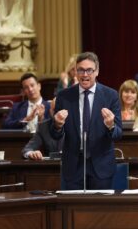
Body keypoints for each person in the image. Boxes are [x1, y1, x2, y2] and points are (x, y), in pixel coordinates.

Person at [51, 52, 122, 190]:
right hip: (73, 166)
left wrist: (111, 125)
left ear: (97, 72)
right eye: (81, 70)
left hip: (101, 167)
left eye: (89, 70)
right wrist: (57, 125)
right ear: (75, 72)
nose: (85, 75)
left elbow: (118, 134)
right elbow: (54, 135)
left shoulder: (111, 95)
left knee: (99, 210)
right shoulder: (63, 97)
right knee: (73, 210)